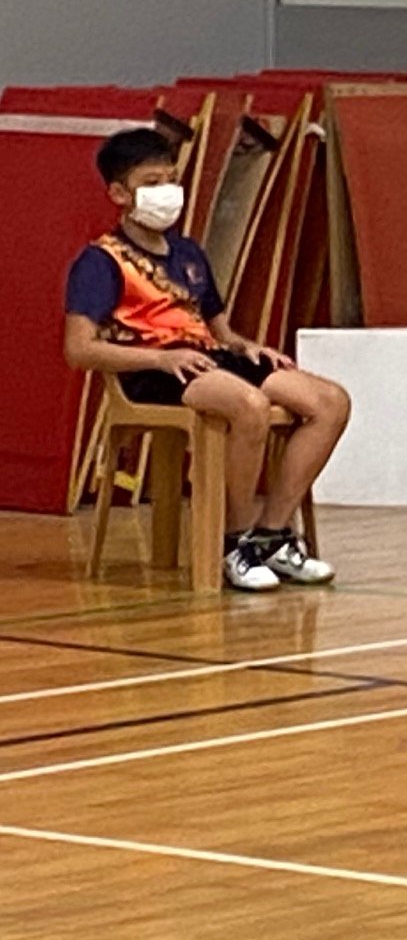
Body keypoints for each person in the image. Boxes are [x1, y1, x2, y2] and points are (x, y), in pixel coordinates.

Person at [63, 126, 348, 591]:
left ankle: (273, 534)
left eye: (171, 179)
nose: (166, 192)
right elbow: (79, 350)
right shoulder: (100, 261)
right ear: (119, 193)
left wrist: (244, 346)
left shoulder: (189, 253)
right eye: (151, 183)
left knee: (329, 402)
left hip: (209, 359)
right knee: (249, 408)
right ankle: (232, 542)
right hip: (151, 368)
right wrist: (159, 360)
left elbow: (221, 330)